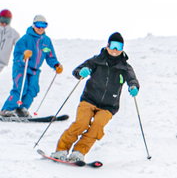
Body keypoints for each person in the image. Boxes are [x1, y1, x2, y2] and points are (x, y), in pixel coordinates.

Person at [50, 33, 139, 163]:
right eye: (113, 46)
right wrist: (82, 72)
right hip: (89, 99)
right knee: (81, 124)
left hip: (109, 106)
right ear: (107, 45)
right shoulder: (97, 60)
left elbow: (132, 79)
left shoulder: (125, 67)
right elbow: (77, 70)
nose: (115, 50)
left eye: (119, 47)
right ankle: (61, 150)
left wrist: (133, 86)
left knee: (97, 127)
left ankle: (79, 152)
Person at [0, 15, 62, 117]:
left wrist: (56, 65)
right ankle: (6, 109)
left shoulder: (46, 41)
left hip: (35, 70)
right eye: (38, 25)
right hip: (21, 67)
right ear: (33, 25)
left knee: (33, 89)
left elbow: (50, 55)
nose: (41, 28)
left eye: (44, 25)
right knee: (20, 88)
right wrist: (24, 56)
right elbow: (17, 56)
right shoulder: (24, 39)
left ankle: (22, 109)